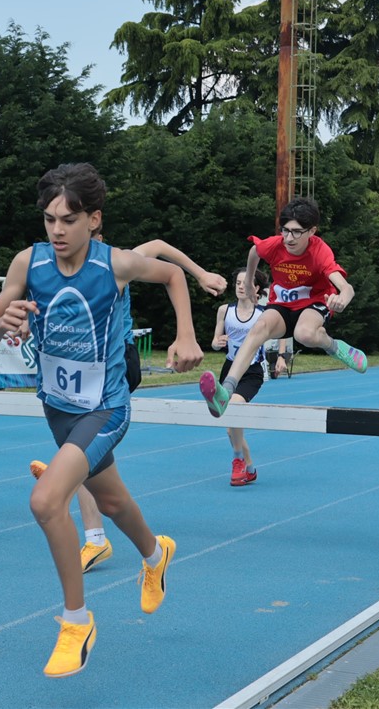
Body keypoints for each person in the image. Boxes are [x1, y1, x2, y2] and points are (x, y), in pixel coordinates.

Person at [0, 162, 202, 678]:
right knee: (113, 501)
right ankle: (156, 554)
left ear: (93, 219)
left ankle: (76, 622)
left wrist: (186, 334)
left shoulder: (115, 264)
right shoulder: (27, 263)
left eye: (69, 220)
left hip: (106, 408)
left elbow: (172, 274)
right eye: (49, 220)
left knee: (45, 500)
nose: (57, 231)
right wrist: (0, 321)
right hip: (58, 408)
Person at [30, 233, 226, 572]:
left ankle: (82, 510)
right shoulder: (53, 269)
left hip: (116, 364)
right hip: (77, 375)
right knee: (91, 461)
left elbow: (160, 248)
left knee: (82, 442)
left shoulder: (115, 261)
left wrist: (200, 274)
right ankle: (117, 539)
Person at [200, 197, 367, 417]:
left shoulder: (320, 252)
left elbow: (346, 287)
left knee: (304, 334)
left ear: (312, 231)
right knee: (259, 328)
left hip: (313, 303)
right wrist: (249, 281)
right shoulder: (275, 244)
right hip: (282, 305)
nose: (289, 238)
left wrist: (342, 299)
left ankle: (334, 347)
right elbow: (254, 252)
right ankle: (226, 392)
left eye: (296, 232)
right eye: (285, 230)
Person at [210, 267, 270, 486]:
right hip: (229, 370)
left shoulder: (264, 314)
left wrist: (282, 356)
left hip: (251, 372)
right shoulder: (224, 311)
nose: (241, 287)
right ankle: (250, 467)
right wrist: (217, 343)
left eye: (246, 283)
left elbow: (281, 334)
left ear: (256, 288)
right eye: (237, 283)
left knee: (234, 412)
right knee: (231, 428)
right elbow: (215, 341)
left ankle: (237, 461)